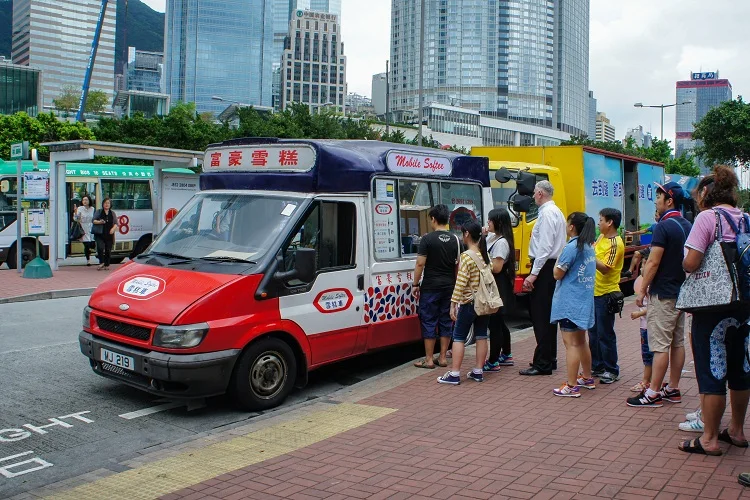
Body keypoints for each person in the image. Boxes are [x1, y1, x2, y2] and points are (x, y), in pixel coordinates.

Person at [678, 166, 749, 455]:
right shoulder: (746, 218)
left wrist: (686, 261)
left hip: (712, 306)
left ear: (707, 194)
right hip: (744, 304)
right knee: (741, 369)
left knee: (712, 371)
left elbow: (691, 262)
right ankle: (737, 430)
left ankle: (708, 438)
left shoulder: (708, 218)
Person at [627, 182, 691, 408]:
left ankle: (653, 392)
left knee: (660, 345)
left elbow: (653, 261)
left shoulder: (663, 226)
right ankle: (673, 388)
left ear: (669, 200)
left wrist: (642, 289)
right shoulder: (686, 224)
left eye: (658, 197)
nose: (655, 201)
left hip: (663, 294)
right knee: (677, 342)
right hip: (680, 293)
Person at [520, 180, 567, 376]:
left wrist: (533, 273)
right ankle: (549, 357)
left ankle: (543, 363)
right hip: (550, 266)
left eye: (534, 193)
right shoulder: (556, 212)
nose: (532, 197)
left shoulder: (547, 214)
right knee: (548, 316)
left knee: (541, 316)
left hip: (545, 266)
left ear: (540, 193)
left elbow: (545, 248)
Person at [437, 220, 491, 385]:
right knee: (481, 335)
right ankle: (478, 371)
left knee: (459, 336)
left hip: (469, 302)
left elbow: (461, 282)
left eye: (462, 233)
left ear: (467, 234)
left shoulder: (467, 257)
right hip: (484, 302)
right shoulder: (483, 255)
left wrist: (453, 303)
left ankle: (454, 374)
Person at [549, 212, 597, 397]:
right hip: (583, 302)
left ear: (571, 227)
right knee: (581, 341)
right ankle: (587, 377)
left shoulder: (572, 247)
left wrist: (556, 266)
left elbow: (557, 274)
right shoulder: (588, 247)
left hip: (569, 303)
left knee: (571, 345)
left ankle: (571, 385)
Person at [413, 204, 461, 369]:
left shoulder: (427, 239)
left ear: (433, 219)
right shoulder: (456, 239)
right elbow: (458, 266)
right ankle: (442, 358)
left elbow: (420, 264)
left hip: (430, 287)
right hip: (449, 287)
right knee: (446, 320)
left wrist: (415, 284)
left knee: (429, 320)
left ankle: (428, 360)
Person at [589, 208, 625, 385]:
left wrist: (589, 254)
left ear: (610, 222)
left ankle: (611, 369)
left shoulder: (615, 243)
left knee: (605, 334)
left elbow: (606, 268)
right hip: (594, 292)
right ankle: (597, 366)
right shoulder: (601, 237)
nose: (599, 223)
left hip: (606, 293)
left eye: (601, 220)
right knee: (594, 333)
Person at [483, 208, 516, 372]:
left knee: (495, 323)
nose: (488, 222)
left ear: (498, 222)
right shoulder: (491, 238)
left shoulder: (501, 242)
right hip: (493, 285)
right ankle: (507, 354)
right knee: (499, 322)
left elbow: (496, 268)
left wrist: (481, 264)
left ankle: (493, 360)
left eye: (490, 220)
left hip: (497, 285)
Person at [629, 272, 654, 393]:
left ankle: (646, 381)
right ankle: (650, 381)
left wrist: (639, 313)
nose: (644, 268)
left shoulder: (651, 286)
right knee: (648, 355)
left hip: (649, 326)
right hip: (645, 326)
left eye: (646, 264)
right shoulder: (645, 284)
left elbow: (654, 306)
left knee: (648, 355)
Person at [623, 210, 659, 278]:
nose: (655, 217)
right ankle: (630, 272)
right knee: (637, 253)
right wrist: (632, 233)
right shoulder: (654, 226)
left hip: (656, 250)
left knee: (644, 262)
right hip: (651, 248)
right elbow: (644, 231)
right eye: (655, 216)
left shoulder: (663, 226)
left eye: (656, 216)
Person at [93, 197, 119, 271]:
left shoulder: (112, 213)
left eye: (108, 203)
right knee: (100, 248)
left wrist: (113, 229)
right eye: (105, 203)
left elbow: (116, 223)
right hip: (100, 233)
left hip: (109, 234)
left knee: (108, 249)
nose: (107, 204)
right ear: (103, 204)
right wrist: (99, 222)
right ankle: (101, 262)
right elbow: (93, 220)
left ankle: (107, 264)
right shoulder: (99, 211)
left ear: (110, 205)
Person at [74, 195, 96, 266]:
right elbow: (76, 219)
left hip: (91, 227)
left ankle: (90, 254)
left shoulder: (92, 209)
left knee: (91, 243)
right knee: (86, 245)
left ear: (89, 201)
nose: (85, 201)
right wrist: (75, 212)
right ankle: (88, 260)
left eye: (86, 200)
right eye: (83, 200)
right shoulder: (80, 208)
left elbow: (94, 218)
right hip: (83, 228)